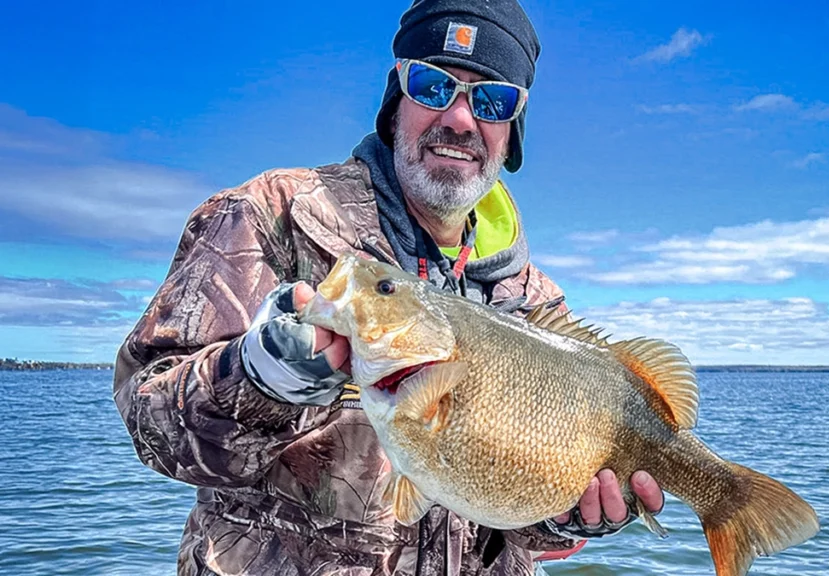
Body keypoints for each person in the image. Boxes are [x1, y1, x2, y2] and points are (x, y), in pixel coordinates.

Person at [114, 1, 664, 574]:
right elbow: (148, 422)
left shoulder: (535, 301)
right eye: (432, 85)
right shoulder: (272, 213)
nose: (458, 118)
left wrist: (564, 516)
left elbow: (515, 520)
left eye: (491, 100)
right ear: (395, 100)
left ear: (511, 131)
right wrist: (259, 376)